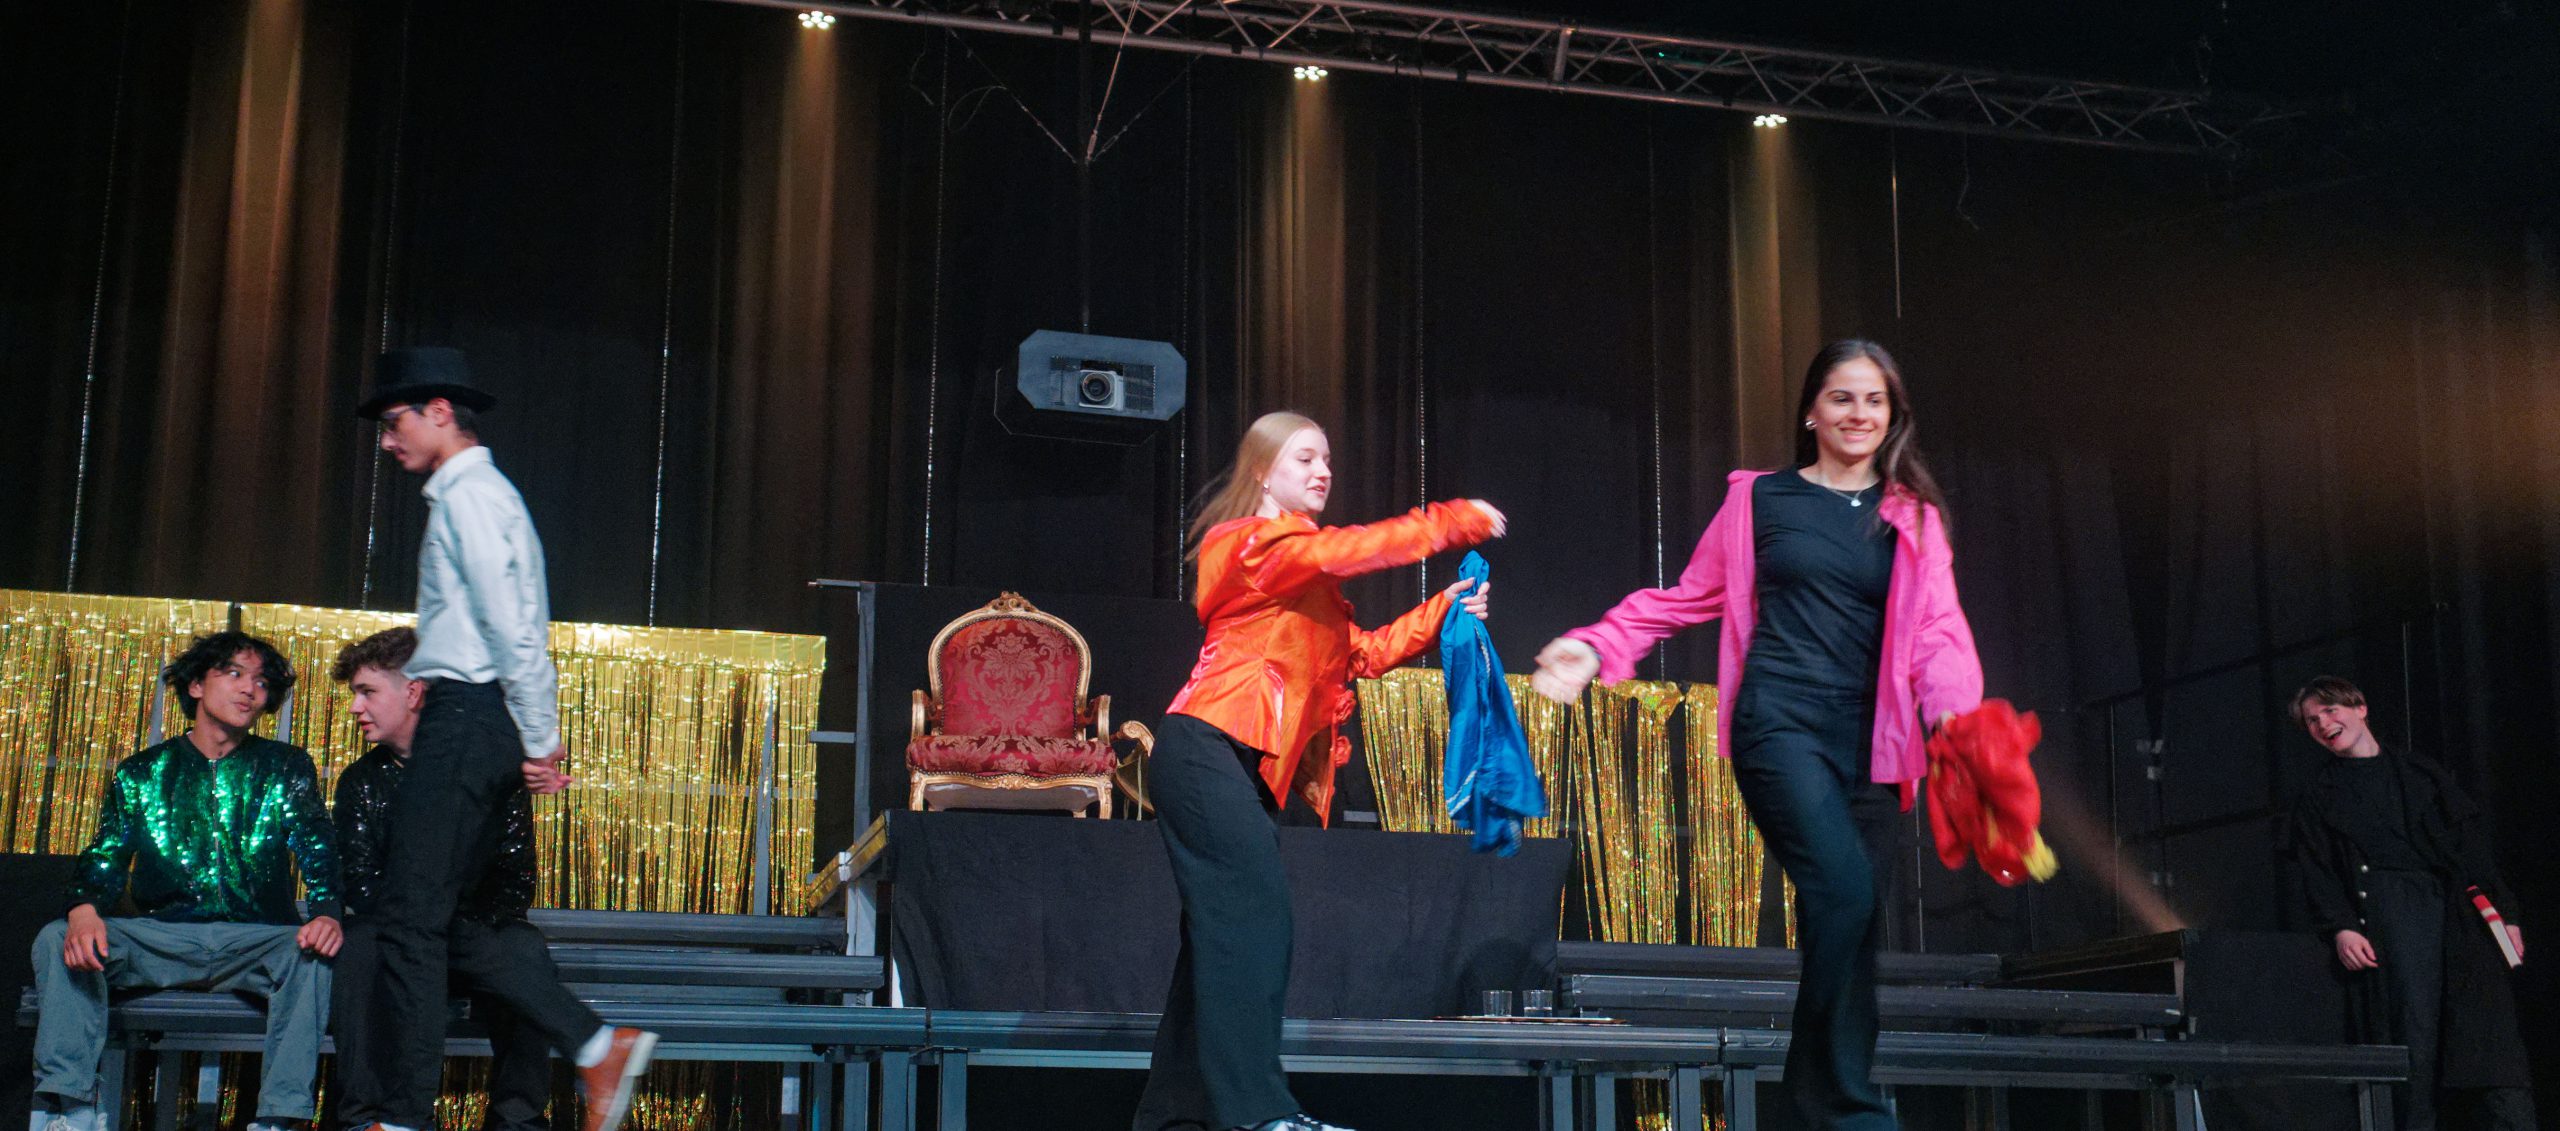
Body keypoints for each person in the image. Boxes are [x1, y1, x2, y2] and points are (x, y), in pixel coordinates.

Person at [1532, 339, 1981, 1131]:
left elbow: (1939, 633)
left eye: (1874, 400)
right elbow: (1688, 595)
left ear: (1893, 415)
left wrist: (1955, 719)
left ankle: (1816, 1107)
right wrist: (1598, 644)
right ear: (1811, 411)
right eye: (1841, 397)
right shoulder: (1761, 500)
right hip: (1780, 724)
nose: (1858, 414)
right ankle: (1844, 1107)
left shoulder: (1911, 517)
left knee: (1851, 921)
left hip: (1873, 746)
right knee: (1843, 891)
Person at [1135, 411, 1503, 1131]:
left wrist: (1444, 609)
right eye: (1305, 458)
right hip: (1206, 746)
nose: (1323, 471)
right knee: (1256, 920)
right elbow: (1350, 548)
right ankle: (1258, 1113)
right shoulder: (1246, 544)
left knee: (1218, 939)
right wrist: (1450, 522)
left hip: (1241, 765)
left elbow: (1360, 653)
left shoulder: (1303, 577)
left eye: (1327, 459)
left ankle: (1173, 1118)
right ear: (1262, 471)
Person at [342, 347, 653, 1131]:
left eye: (394, 422)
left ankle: (405, 1115)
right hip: (475, 717)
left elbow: (514, 625)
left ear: (440, 411)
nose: (387, 440)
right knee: (425, 915)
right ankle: (594, 1043)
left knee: (410, 919)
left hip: (466, 714)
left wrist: (540, 738)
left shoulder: (471, 496)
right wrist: (529, 735)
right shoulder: (474, 494)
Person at [28, 632, 341, 1131]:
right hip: (161, 939)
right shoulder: (143, 772)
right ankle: (71, 1110)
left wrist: (326, 913)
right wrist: (83, 909)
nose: (249, 689)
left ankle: (279, 1120)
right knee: (56, 937)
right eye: (233, 674)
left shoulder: (284, 766)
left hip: (255, 940)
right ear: (196, 685)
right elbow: (107, 852)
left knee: (314, 953)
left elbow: (317, 845)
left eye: (261, 682)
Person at [331, 627, 560, 1131]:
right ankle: (366, 1118)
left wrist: (444, 926)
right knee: (359, 946)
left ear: (413, 692)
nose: (355, 708)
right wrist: (417, 925)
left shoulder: (491, 773)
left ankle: (517, 1120)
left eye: (367, 692)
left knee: (524, 951)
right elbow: (360, 884)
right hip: (396, 938)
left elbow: (514, 879)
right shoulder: (361, 782)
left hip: (469, 935)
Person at [2282, 676, 2536, 1131]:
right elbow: (2317, 871)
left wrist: (2506, 914)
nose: (2323, 724)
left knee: (2487, 1035)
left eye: (2330, 710)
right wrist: (2342, 926)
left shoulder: (2421, 774)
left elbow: (2470, 848)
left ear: (2359, 707)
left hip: (2456, 912)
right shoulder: (2319, 795)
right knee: (2413, 1038)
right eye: (2312, 721)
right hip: (2392, 914)